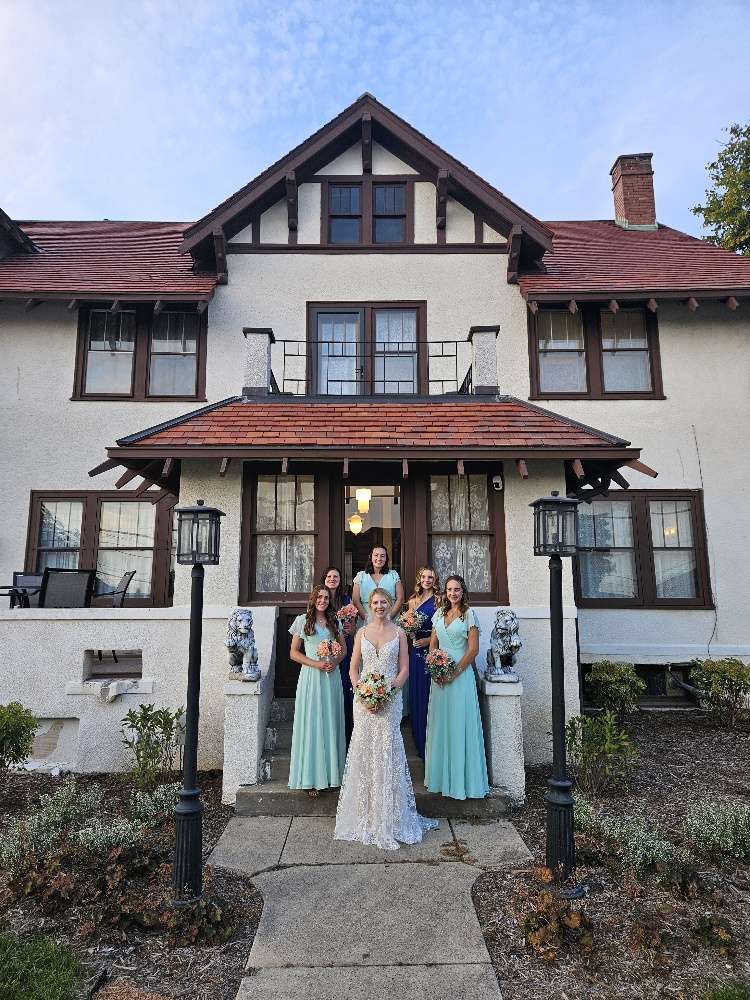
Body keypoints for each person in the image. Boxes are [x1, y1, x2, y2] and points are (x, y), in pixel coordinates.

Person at [334, 588, 439, 850]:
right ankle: (365, 815)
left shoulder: (400, 634)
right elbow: (352, 667)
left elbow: (404, 669)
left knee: (387, 751)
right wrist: (362, 692)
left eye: (384, 602)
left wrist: (388, 692)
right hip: (364, 702)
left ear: (391, 604)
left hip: (390, 700)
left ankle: (390, 816)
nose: (380, 606)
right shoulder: (361, 633)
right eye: (375, 603)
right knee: (366, 751)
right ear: (369, 606)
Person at [424, 575, 489, 800]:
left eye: (457, 590)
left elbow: (473, 650)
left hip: (460, 678)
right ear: (445, 591)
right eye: (450, 590)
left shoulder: (469, 615)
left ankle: (463, 782)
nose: (453, 593)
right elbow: (433, 644)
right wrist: (435, 668)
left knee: (460, 725)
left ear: (463, 592)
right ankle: (441, 779)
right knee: (442, 725)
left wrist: (453, 672)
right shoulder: (438, 614)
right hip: (439, 679)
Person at [288, 585, 346, 796]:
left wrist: (335, 662)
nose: (323, 600)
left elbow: (344, 650)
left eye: (326, 597)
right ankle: (311, 778)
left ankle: (332, 776)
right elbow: (294, 653)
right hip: (311, 677)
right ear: (313, 599)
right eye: (319, 597)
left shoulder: (334, 621)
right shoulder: (302, 620)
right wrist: (316, 664)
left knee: (330, 721)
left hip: (332, 677)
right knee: (313, 722)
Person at [405, 566, 441, 758]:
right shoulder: (412, 601)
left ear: (435, 580)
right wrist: (411, 633)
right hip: (416, 653)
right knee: (418, 696)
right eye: (424, 577)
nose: (427, 580)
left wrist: (428, 641)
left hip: (434, 651)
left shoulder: (439, 601)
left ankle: (435, 744)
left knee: (432, 696)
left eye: (431, 577)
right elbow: (410, 628)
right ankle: (420, 743)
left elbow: (443, 627)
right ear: (419, 579)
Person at [318, 565, 355, 746]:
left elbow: (353, 626)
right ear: (324, 579)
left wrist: (349, 628)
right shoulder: (320, 599)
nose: (333, 579)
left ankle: (345, 734)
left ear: (340, 580)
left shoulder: (346, 599)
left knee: (343, 684)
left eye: (336, 576)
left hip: (343, 646)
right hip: (325, 648)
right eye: (330, 576)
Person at [351, 545, 404, 623]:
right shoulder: (360, 576)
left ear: (386, 559)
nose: (379, 559)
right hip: (366, 622)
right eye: (376, 555)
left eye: (382, 556)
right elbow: (355, 600)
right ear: (371, 557)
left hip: (391, 621)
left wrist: (390, 617)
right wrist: (367, 618)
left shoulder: (393, 575)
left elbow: (400, 598)